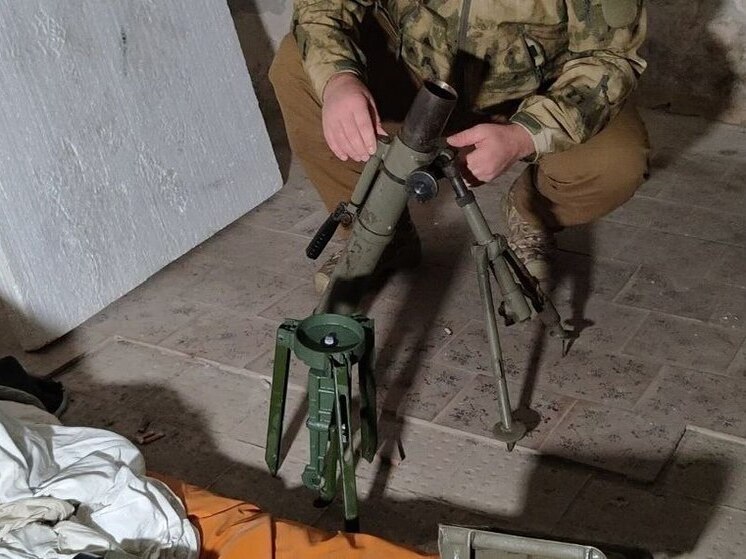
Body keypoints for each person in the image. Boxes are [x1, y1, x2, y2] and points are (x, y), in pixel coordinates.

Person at [269, 1, 650, 293]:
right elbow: (323, 6)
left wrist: (525, 135)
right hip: (412, 76)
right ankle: (378, 232)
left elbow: (610, 59)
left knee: (616, 162)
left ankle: (531, 213)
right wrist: (339, 79)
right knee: (297, 70)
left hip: (532, 96)